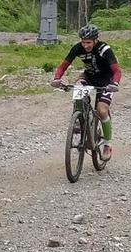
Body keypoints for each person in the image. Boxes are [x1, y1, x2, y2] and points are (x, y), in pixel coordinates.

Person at [50, 24, 121, 161]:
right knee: (78, 86)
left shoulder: (104, 49)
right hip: (89, 76)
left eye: (88, 42)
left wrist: (115, 84)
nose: (85, 45)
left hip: (107, 80)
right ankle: (79, 118)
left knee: (101, 110)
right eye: (83, 42)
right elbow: (63, 65)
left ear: (96, 40)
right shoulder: (78, 48)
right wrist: (57, 79)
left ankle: (107, 144)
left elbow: (117, 71)